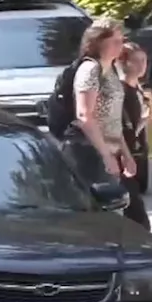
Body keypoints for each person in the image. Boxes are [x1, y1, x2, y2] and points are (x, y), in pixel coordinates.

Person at [61, 18, 142, 219]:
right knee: (101, 214)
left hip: (109, 150)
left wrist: (125, 153)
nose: (120, 46)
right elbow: (84, 115)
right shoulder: (90, 69)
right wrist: (106, 155)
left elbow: (113, 117)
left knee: (125, 213)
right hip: (88, 152)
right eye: (115, 41)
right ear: (98, 42)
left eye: (121, 40)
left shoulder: (111, 69)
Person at [119, 41, 152, 229]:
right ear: (124, 62)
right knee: (136, 213)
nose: (142, 66)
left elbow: (138, 124)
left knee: (133, 205)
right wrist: (125, 154)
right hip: (123, 154)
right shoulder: (121, 91)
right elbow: (118, 126)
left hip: (137, 151)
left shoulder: (140, 89)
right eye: (136, 61)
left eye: (144, 61)